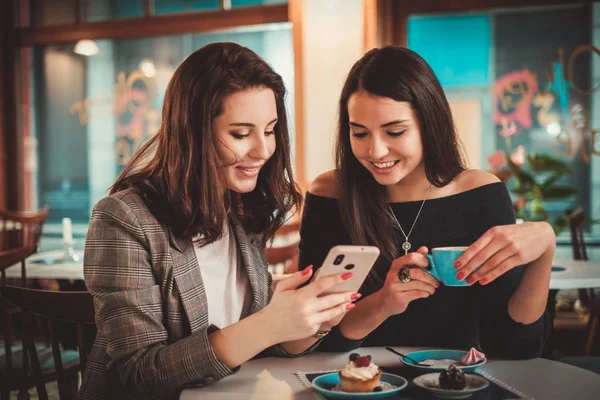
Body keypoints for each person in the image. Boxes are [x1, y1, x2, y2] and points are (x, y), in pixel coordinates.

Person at [78, 42, 359, 400]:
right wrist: (265, 324)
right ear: (192, 133)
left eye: (270, 130)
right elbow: (140, 376)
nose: (263, 150)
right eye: (241, 134)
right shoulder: (124, 219)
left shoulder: (240, 211)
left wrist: (314, 322)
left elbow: (248, 349)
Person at [298, 46, 556, 359]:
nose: (376, 151)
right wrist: (382, 304)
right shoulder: (330, 194)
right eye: (360, 133)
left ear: (429, 125)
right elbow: (311, 341)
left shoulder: (480, 194)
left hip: (455, 382)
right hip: (354, 382)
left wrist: (545, 248)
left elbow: (515, 347)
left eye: (395, 131)